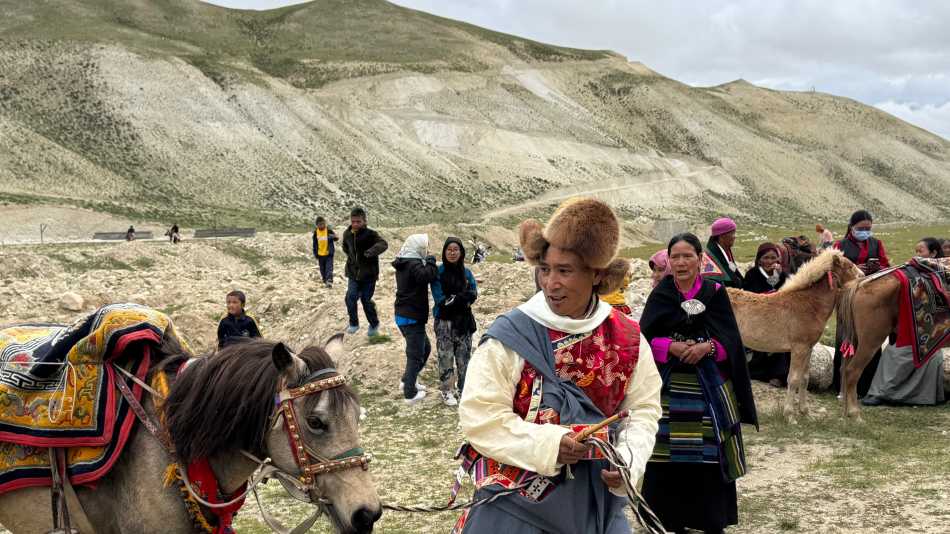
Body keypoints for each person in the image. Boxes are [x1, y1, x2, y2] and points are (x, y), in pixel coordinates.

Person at [455, 198, 662, 534]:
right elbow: (480, 417)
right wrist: (550, 444)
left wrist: (627, 460)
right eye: (545, 269)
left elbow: (642, 411)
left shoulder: (628, 338)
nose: (550, 282)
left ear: (596, 275)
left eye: (564, 271)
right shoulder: (510, 336)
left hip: (595, 506)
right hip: (513, 507)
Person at [639, 232, 757, 534]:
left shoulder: (715, 293)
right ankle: (666, 520)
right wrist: (670, 347)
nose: (681, 262)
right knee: (664, 454)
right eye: (675, 257)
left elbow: (730, 339)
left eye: (687, 256)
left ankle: (708, 519)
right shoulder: (662, 295)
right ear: (669, 262)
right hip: (668, 387)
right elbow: (643, 339)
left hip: (709, 389)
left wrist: (709, 348)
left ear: (700, 260)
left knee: (709, 452)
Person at [863, 239, 946, 406]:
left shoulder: (940, 273)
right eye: (915, 251)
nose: (916, 255)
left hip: (932, 332)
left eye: (920, 251)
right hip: (915, 328)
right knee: (894, 352)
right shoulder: (915, 273)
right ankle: (883, 393)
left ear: (933, 253)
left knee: (904, 354)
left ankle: (881, 393)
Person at [832, 209, 890, 396]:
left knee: (870, 338)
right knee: (846, 337)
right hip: (847, 298)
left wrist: (877, 268)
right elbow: (833, 272)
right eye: (861, 228)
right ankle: (841, 384)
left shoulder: (876, 244)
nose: (865, 231)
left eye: (868, 228)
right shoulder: (840, 245)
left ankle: (868, 385)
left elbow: (886, 267)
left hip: (872, 297)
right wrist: (856, 270)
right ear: (852, 227)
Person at [431, 237, 479, 406]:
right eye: (449, 250)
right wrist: (461, 298)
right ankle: (447, 390)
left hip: (464, 322)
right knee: (445, 356)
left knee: (464, 357)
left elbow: (473, 294)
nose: (452, 253)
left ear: (461, 252)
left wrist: (459, 299)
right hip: (444, 322)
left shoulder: (467, 273)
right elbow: (441, 300)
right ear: (444, 252)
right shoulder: (439, 272)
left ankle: (464, 389)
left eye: (456, 250)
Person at [393, 234, 439, 404]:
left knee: (425, 349)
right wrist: (432, 260)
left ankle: (407, 380)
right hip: (411, 316)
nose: (427, 250)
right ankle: (409, 393)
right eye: (425, 247)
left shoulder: (405, 262)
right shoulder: (413, 264)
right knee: (415, 354)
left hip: (406, 314)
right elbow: (428, 275)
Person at [743, 243, 791, 387]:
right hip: (758, 317)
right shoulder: (752, 274)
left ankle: (779, 375)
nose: (770, 261)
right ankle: (760, 373)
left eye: (773, 258)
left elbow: (789, 292)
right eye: (766, 258)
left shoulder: (783, 275)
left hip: (778, 317)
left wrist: (779, 276)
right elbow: (749, 294)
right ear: (760, 260)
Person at [342, 207, 388, 337]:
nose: (355, 224)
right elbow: (345, 247)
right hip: (353, 273)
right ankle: (354, 323)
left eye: (358, 221)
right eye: (353, 221)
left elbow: (383, 244)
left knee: (366, 300)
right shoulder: (347, 234)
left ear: (364, 221)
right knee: (350, 297)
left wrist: (371, 252)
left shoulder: (370, 234)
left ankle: (374, 324)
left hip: (369, 275)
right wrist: (352, 258)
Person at [705, 217, 743, 288]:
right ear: (722, 236)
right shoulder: (709, 259)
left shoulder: (725, 250)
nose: (735, 237)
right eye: (732, 233)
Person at [312, 216, 339, 288]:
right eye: (320, 224)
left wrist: (333, 237)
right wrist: (315, 253)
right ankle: (325, 280)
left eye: (323, 224)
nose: (322, 226)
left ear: (325, 223)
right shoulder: (316, 233)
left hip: (329, 254)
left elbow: (336, 238)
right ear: (317, 225)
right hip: (320, 254)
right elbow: (314, 244)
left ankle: (329, 281)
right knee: (322, 269)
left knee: (329, 268)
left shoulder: (328, 230)